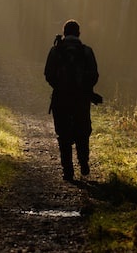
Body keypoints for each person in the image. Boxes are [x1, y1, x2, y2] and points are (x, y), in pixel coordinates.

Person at [44, 19, 99, 181]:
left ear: (64, 33)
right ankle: (83, 163)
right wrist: (84, 89)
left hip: (60, 98)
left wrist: (59, 87)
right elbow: (94, 75)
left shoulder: (55, 51)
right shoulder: (87, 51)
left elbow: (48, 74)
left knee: (63, 133)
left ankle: (67, 170)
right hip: (81, 99)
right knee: (83, 131)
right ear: (79, 33)